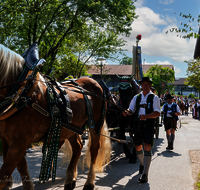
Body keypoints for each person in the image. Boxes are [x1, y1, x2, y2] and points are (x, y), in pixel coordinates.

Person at [123, 77, 160, 183]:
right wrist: (127, 112)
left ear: (150, 85)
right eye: (143, 84)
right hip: (138, 125)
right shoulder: (136, 97)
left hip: (148, 124)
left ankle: (145, 174)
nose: (145, 86)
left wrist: (146, 116)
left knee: (147, 146)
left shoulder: (154, 97)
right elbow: (131, 109)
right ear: (141, 85)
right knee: (138, 146)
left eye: (147, 84)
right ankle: (143, 164)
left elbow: (157, 113)